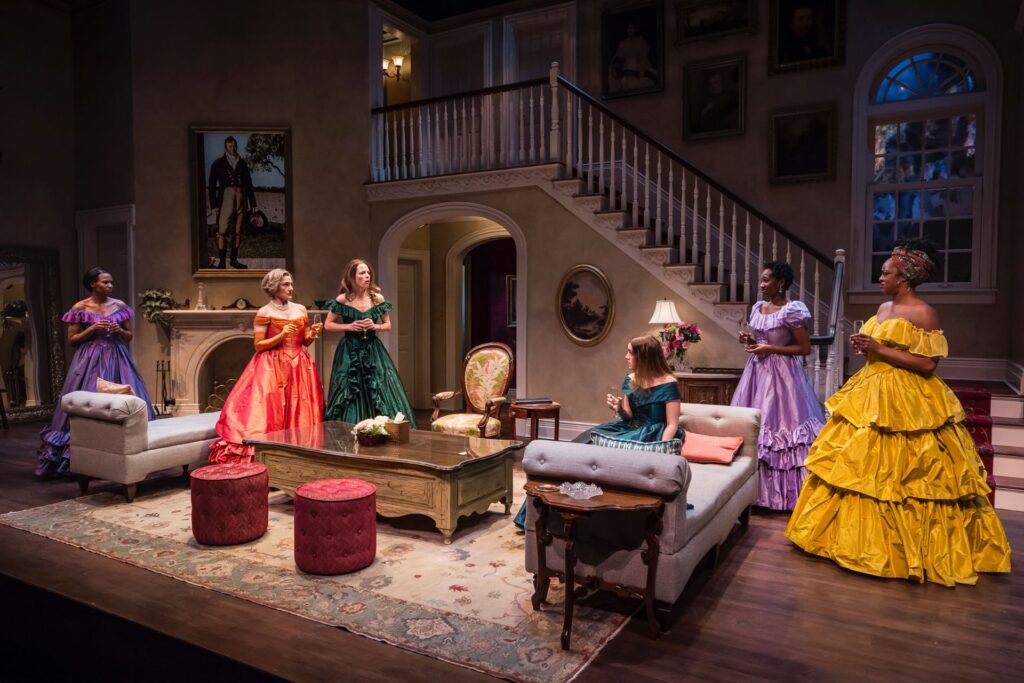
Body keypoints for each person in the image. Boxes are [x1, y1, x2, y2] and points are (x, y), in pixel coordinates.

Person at [785, 239, 1011, 586]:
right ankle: (848, 542)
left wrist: (878, 347)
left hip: (908, 398)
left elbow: (928, 364)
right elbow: (879, 351)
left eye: (885, 273)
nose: (880, 278)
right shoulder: (882, 308)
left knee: (906, 474)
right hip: (870, 390)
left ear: (903, 278)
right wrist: (866, 347)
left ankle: (904, 551)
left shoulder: (924, 313)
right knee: (857, 469)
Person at [513, 334, 681, 530]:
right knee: (578, 449)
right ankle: (540, 512)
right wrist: (618, 408)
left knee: (601, 457)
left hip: (653, 434)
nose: (626, 356)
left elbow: (672, 424)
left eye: (630, 353)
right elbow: (628, 416)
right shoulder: (631, 379)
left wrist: (660, 450)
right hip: (627, 428)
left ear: (643, 356)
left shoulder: (668, 382)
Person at [36, 268, 155, 477]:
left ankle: (130, 452)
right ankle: (83, 455)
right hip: (89, 360)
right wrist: (92, 328)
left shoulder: (119, 306)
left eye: (111, 282)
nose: (110, 286)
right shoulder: (80, 307)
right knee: (89, 399)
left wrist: (119, 330)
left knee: (127, 398)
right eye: (105, 282)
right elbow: (72, 340)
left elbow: (129, 337)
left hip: (117, 356)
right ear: (93, 284)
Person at [730, 262, 825, 511]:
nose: (761, 285)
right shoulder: (758, 307)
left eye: (766, 280)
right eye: (761, 280)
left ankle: (782, 496)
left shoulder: (792, 311)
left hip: (782, 375)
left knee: (778, 427)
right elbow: (759, 338)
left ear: (780, 283)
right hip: (756, 372)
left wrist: (770, 348)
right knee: (752, 426)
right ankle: (752, 493)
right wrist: (749, 339)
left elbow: (804, 348)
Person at [207, 269, 324, 463]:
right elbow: (258, 345)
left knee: (299, 408)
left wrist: (312, 333)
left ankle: (299, 452)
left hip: (299, 365)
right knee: (272, 411)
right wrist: (281, 335)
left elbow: (304, 341)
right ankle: (272, 454)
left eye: (291, 284)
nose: (291, 288)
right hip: (272, 365)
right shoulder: (264, 312)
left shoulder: (300, 309)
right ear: (274, 287)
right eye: (286, 285)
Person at [323, 259, 416, 428]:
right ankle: (349, 430)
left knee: (380, 386)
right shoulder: (343, 299)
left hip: (372, 348)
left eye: (368, 273)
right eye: (362, 273)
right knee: (349, 387)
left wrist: (375, 326)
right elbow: (328, 324)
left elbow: (388, 325)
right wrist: (349, 326)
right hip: (349, 349)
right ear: (352, 277)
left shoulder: (377, 298)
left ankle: (382, 429)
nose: (367, 276)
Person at [207, 136, 256, 270]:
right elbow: (212, 185)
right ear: (226, 147)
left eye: (234, 146)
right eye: (230, 146)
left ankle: (234, 260)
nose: (233, 149)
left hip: (241, 197)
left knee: (238, 231)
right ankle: (222, 263)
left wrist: (253, 203)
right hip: (226, 198)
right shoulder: (218, 163)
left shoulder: (243, 163)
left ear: (237, 146)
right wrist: (214, 205)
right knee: (222, 231)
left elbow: (249, 184)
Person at [609, 23, 658, 92]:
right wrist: (615, 65)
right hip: (626, 73)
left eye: (632, 28)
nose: (630, 30)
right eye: (629, 28)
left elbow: (644, 58)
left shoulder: (641, 42)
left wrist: (642, 71)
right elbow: (618, 57)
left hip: (639, 71)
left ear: (636, 29)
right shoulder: (623, 43)